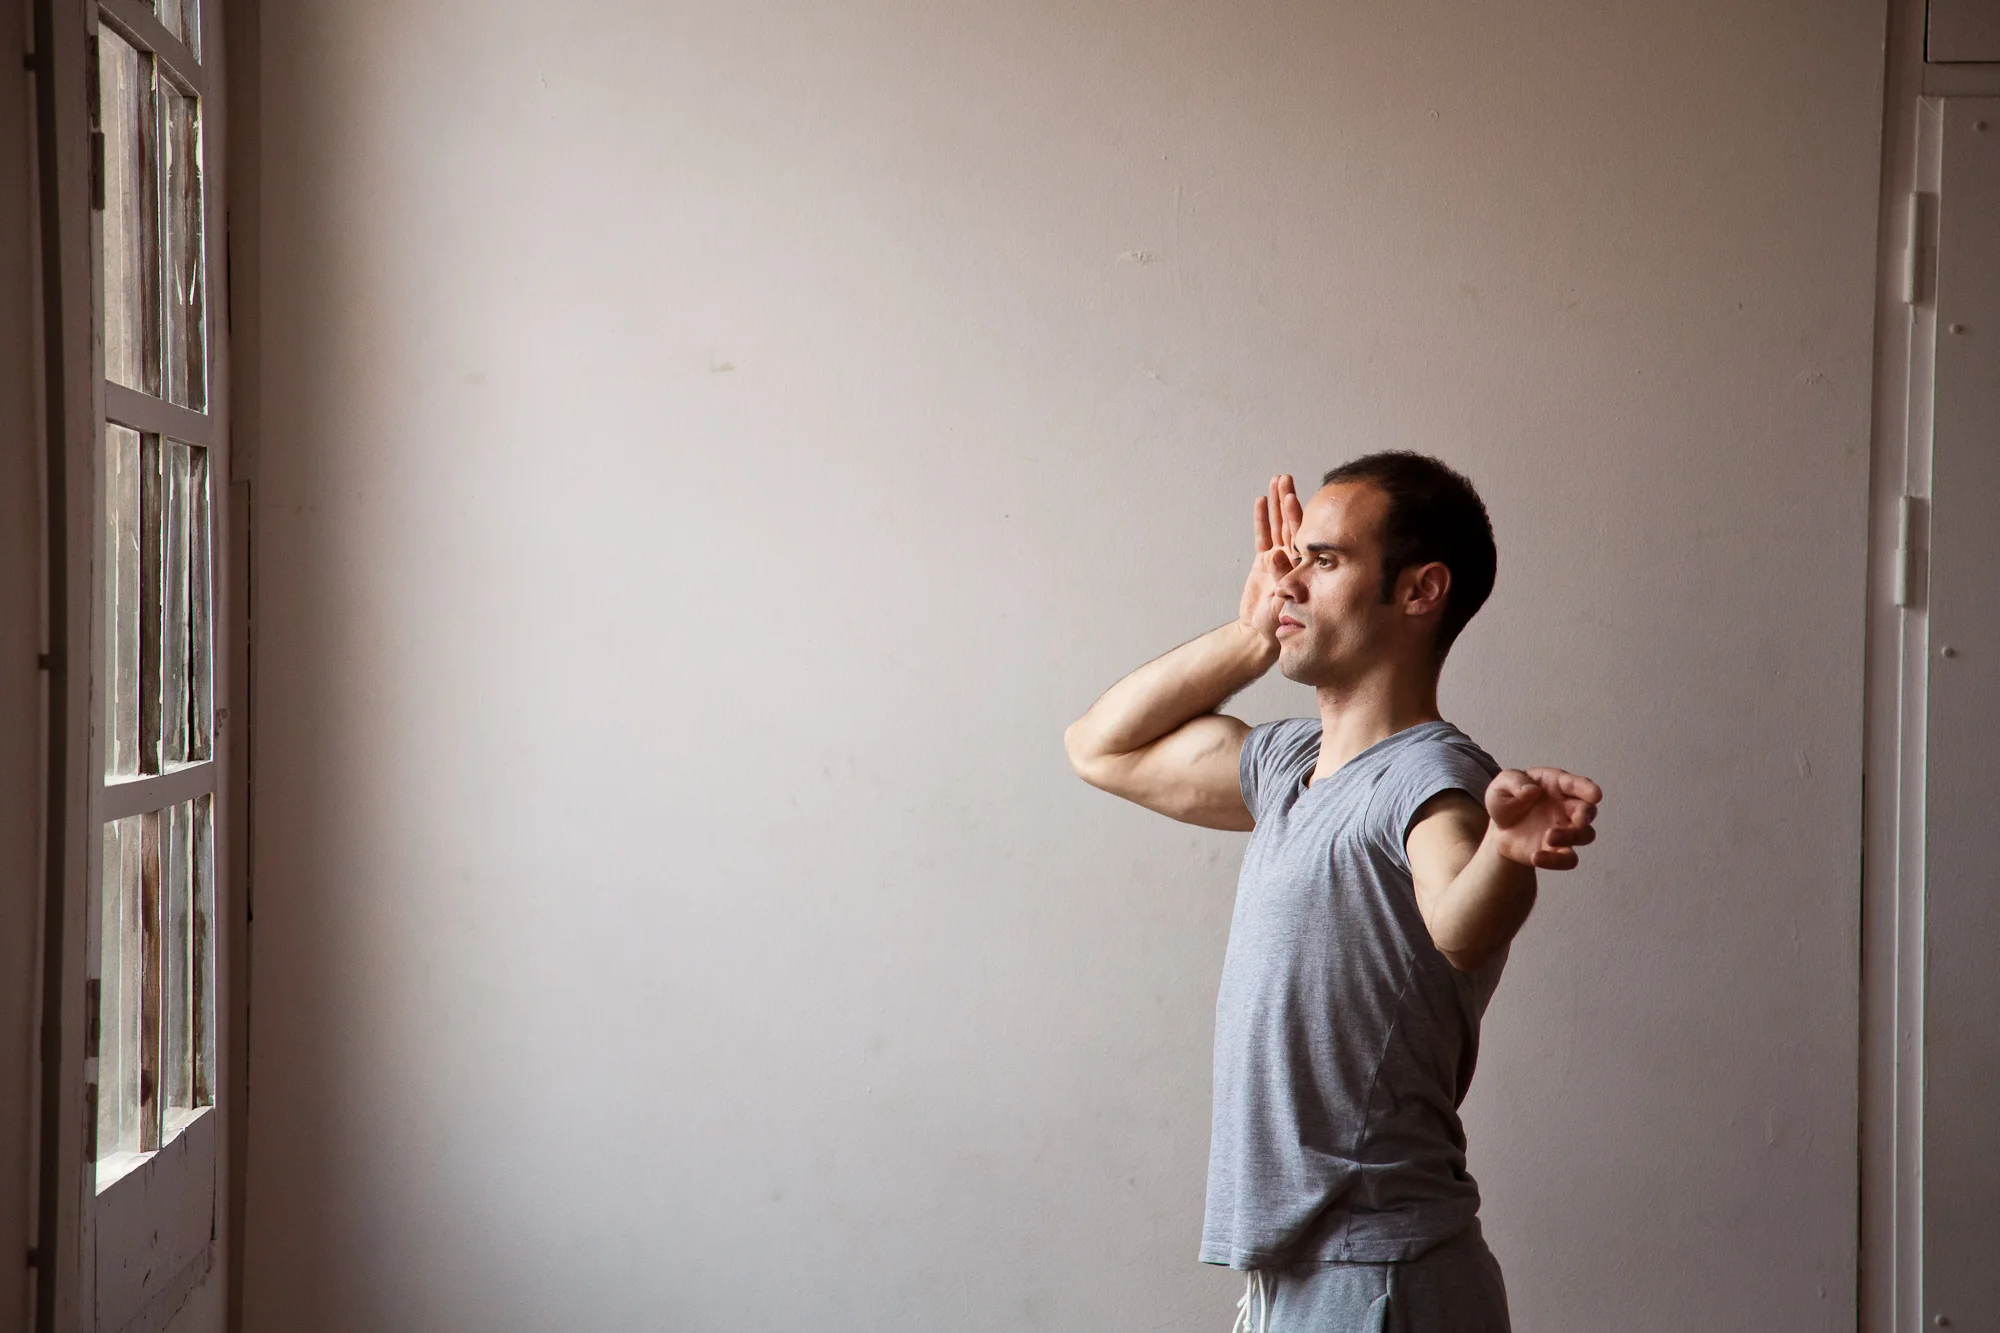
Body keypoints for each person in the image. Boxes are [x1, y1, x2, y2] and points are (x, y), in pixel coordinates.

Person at [1063, 454, 1601, 1332]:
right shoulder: (1289, 766)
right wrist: (1253, 635)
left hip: (1380, 1278)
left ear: (1420, 590)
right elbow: (1099, 747)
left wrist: (1506, 852)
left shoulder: (1431, 780)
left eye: (1324, 559)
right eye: (1292, 558)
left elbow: (1458, 924)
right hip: (1300, 1284)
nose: (1291, 579)